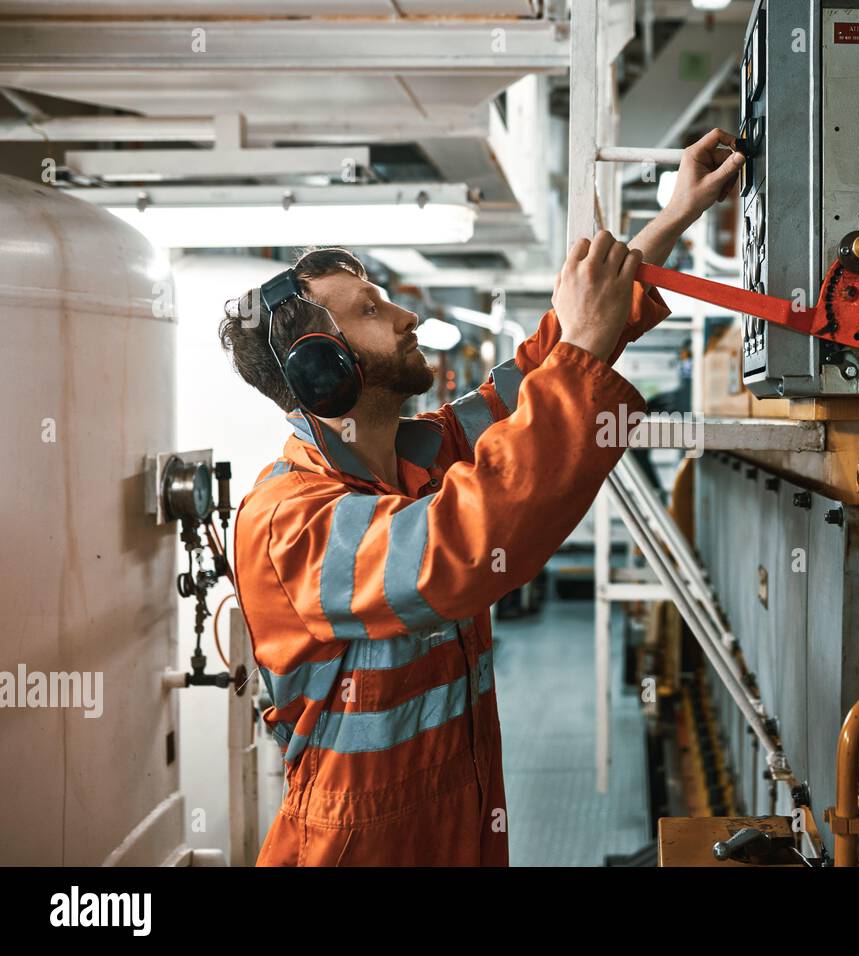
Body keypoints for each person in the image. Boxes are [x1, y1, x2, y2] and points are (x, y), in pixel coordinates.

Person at [217, 129, 743, 865]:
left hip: (456, 820)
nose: (407, 318)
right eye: (373, 310)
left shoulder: (422, 452)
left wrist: (670, 219)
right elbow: (459, 545)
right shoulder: (289, 520)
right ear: (322, 373)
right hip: (355, 846)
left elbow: (537, 376)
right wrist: (583, 354)